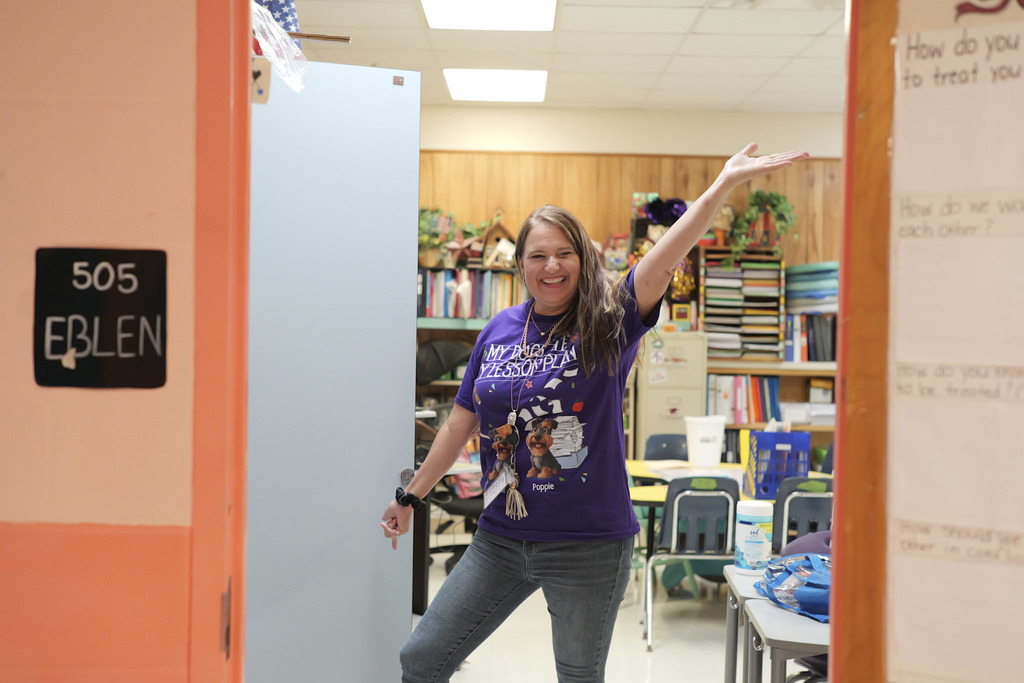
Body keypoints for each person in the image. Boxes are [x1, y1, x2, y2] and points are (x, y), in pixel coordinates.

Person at [381, 143, 809, 682]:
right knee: (421, 658)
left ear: (582, 259)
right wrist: (412, 496)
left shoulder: (610, 320)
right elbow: (461, 421)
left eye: (564, 252)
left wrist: (721, 184)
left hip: (589, 544)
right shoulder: (498, 330)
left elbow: (665, 257)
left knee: (579, 678)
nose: (551, 265)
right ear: (520, 267)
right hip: (501, 537)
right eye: (537, 255)